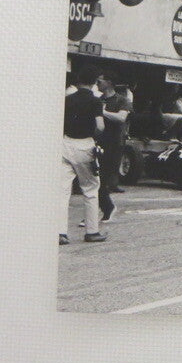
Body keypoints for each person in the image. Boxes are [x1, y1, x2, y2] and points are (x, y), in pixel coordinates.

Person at [61, 63, 108, 245]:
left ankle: (60, 232)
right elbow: (100, 127)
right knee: (90, 189)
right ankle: (92, 231)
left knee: (63, 190)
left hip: (65, 144)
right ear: (95, 82)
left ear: (79, 81)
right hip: (85, 145)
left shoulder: (67, 99)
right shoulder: (95, 101)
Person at [97, 71, 130, 210]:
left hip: (114, 142)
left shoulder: (122, 100)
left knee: (103, 178)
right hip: (98, 142)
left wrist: (102, 112)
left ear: (109, 82)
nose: (97, 83)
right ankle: (103, 207)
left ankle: (105, 207)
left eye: (100, 81)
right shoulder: (98, 99)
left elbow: (121, 118)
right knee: (97, 178)